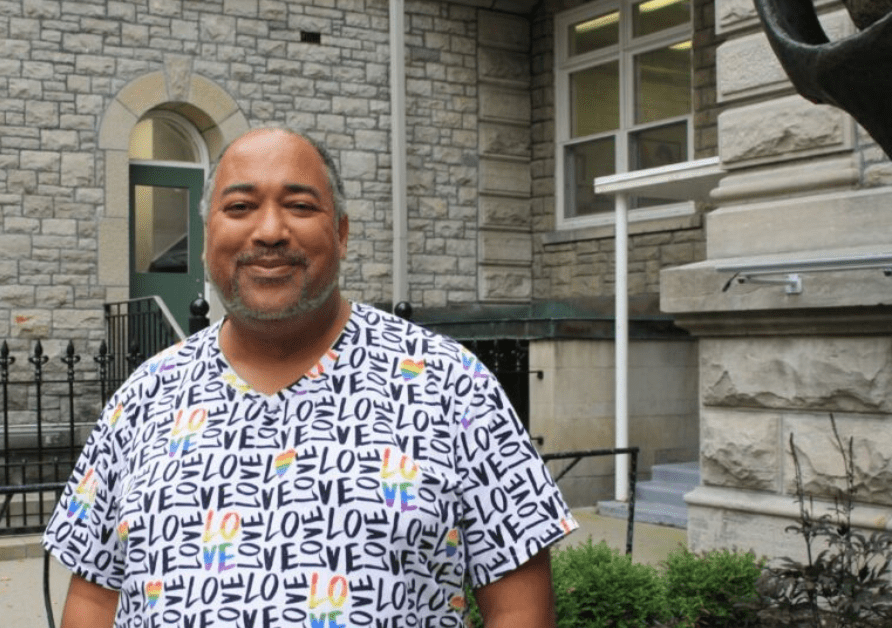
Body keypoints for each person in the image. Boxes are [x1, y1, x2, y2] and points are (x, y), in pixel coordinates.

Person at [43, 127, 578, 627]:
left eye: (299, 206)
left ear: (340, 233)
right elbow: (94, 597)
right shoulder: (141, 400)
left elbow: (518, 607)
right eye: (240, 207)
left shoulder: (453, 386)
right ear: (207, 238)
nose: (269, 232)